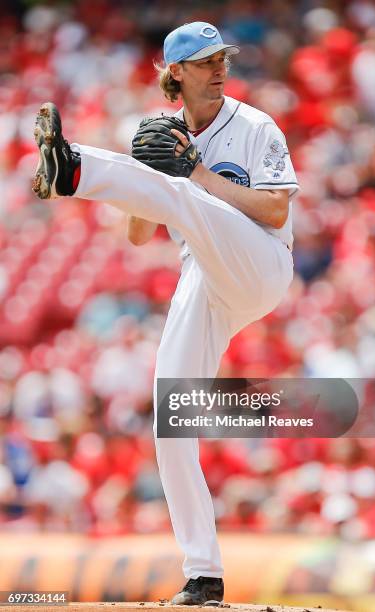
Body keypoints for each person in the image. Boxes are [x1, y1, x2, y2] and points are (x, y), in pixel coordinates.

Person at [32, 21, 299, 605]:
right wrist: (144, 176)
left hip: (261, 262)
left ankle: (72, 168)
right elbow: (136, 235)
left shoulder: (256, 125)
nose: (219, 69)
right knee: (170, 419)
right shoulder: (165, 132)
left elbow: (276, 212)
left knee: (188, 192)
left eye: (221, 58)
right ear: (174, 72)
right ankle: (204, 574)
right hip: (204, 274)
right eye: (204, 62)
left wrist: (190, 174)